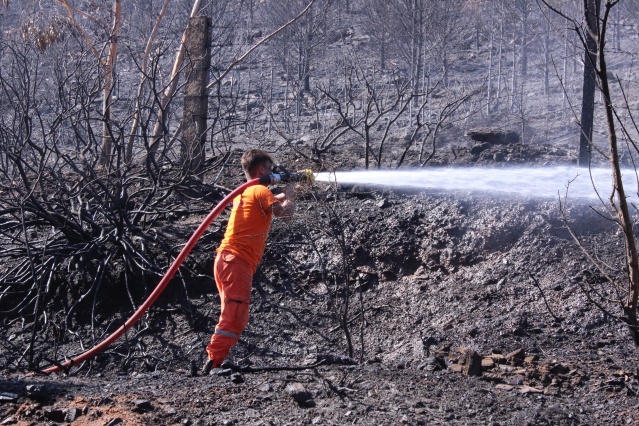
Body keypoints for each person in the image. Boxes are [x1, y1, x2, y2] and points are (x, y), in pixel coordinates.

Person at [203, 149, 295, 374]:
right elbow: (286, 215)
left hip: (226, 260)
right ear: (262, 170)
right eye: (271, 170)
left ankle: (217, 360)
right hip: (237, 262)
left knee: (232, 314)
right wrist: (292, 194)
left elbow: (271, 202)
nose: (274, 173)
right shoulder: (260, 190)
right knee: (235, 316)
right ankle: (213, 362)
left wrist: (290, 190)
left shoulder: (246, 192)